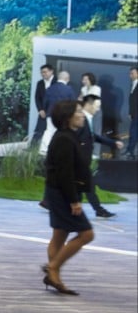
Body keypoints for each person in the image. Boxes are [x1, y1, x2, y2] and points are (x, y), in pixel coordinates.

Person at [42, 99, 95, 296]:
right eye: (79, 111)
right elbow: (65, 174)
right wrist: (74, 201)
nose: (82, 115)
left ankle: (54, 276)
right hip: (63, 194)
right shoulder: (65, 138)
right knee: (87, 234)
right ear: (67, 117)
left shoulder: (67, 136)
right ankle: (53, 268)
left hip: (58, 192)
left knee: (59, 234)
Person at [79, 94, 122, 218]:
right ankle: (98, 210)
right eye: (97, 106)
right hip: (78, 161)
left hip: (82, 161)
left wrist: (113, 143)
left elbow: (93, 137)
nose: (98, 109)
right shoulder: (80, 119)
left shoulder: (88, 119)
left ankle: (98, 210)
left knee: (88, 187)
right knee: (84, 187)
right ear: (88, 104)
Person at [40, 71, 75, 155]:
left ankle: (44, 150)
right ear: (67, 79)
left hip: (50, 113)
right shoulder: (69, 89)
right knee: (62, 132)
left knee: (49, 131)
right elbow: (73, 103)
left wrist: (45, 110)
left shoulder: (50, 88)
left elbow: (45, 102)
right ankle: (60, 150)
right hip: (63, 115)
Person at [30, 64, 54, 147]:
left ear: (51, 71)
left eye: (45, 72)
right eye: (41, 73)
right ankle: (32, 148)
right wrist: (40, 109)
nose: (43, 74)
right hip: (43, 111)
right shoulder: (40, 83)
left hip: (54, 112)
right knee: (39, 129)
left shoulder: (57, 82)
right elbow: (37, 98)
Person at [126, 66, 138, 160]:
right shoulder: (132, 84)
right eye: (130, 73)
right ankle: (129, 150)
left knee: (134, 132)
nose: (130, 75)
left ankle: (131, 151)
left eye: (132, 73)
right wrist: (131, 112)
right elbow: (132, 100)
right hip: (134, 113)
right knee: (132, 132)